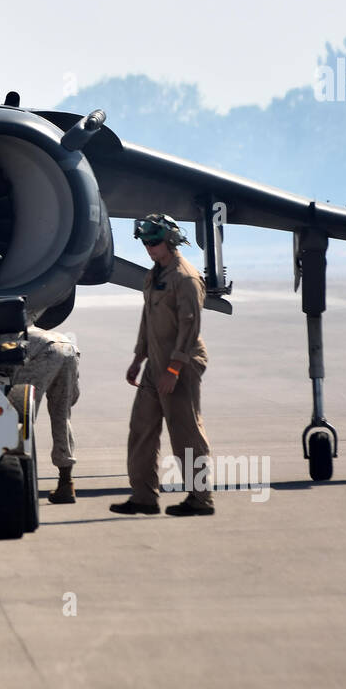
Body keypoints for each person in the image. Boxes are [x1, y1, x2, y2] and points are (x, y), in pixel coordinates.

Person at [111, 214, 214, 517]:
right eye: (145, 242)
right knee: (141, 428)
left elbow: (189, 326)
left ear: (170, 241)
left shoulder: (185, 277)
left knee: (185, 431)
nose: (149, 247)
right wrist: (138, 358)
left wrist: (174, 369)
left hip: (180, 365)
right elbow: (147, 319)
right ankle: (143, 497)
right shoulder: (154, 274)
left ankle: (200, 499)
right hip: (155, 364)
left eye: (154, 242)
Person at [13, 326, 80, 504]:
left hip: (42, 350)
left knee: (19, 417)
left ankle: (16, 481)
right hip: (67, 346)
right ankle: (66, 483)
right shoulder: (17, 321)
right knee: (62, 415)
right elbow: (73, 398)